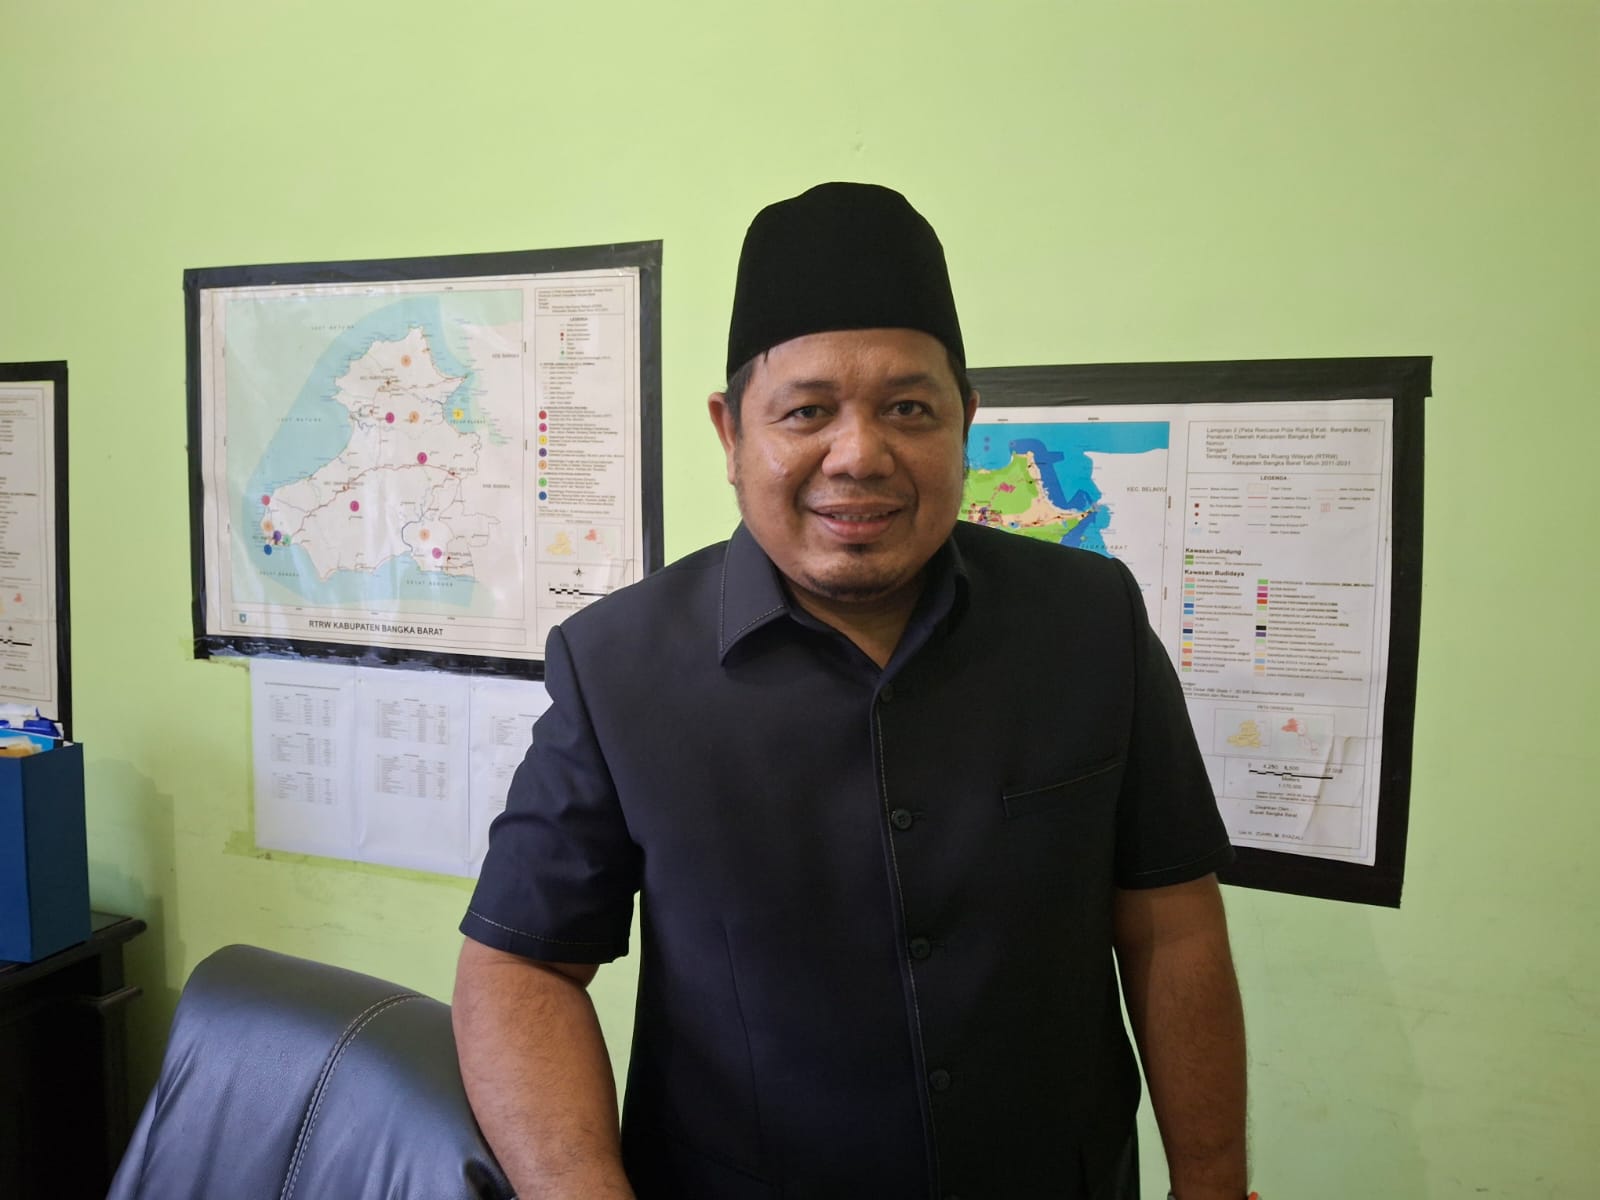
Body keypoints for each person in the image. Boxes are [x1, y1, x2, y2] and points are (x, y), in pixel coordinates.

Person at [454, 182, 1249, 1200]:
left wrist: (1213, 1183)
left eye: (908, 408)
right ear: (730, 434)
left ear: (966, 421)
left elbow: (1170, 922)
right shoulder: (617, 666)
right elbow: (520, 966)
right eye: (807, 412)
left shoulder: (1090, 621)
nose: (860, 454)